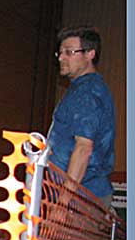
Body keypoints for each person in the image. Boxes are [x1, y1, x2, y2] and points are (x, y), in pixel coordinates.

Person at [47, 26, 116, 208]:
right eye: (60, 52)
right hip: (76, 196)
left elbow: (84, 148)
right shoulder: (81, 89)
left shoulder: (88, 92)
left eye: (69, 52)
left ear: (90, 54)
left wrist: (63, 203)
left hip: (80, 199)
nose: (61, 57)